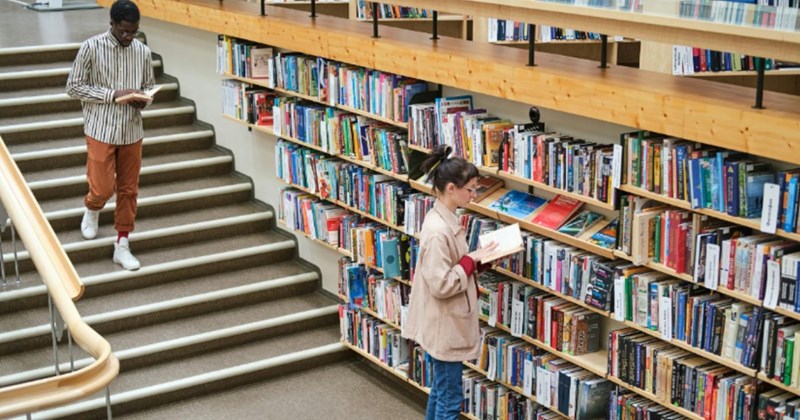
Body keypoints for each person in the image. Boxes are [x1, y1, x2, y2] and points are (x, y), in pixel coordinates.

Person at [402, 145, 497, 420]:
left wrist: (478, 261)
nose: (474, 195)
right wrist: (470, 260)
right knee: (450, 398)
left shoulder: (446, 219)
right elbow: (442, 284)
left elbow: (453, 266)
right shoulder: (437, 231)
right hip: (443, 326)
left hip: (446, 323)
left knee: (441, 392)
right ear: (452, 188)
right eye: (471, 189)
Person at [66, 0, 155, 271]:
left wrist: (144, 100)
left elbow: (149, 86)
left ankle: (122, 244)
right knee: (103, 188)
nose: (129, 37)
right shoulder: (91, 47)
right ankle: (92, 208)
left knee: (129, 190)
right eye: (124, 31)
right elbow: (74, 87)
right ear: (112, 24)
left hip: (131, 130)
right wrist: (112, 94)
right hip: (100, 129)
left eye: (134, 31)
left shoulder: (142, 51)